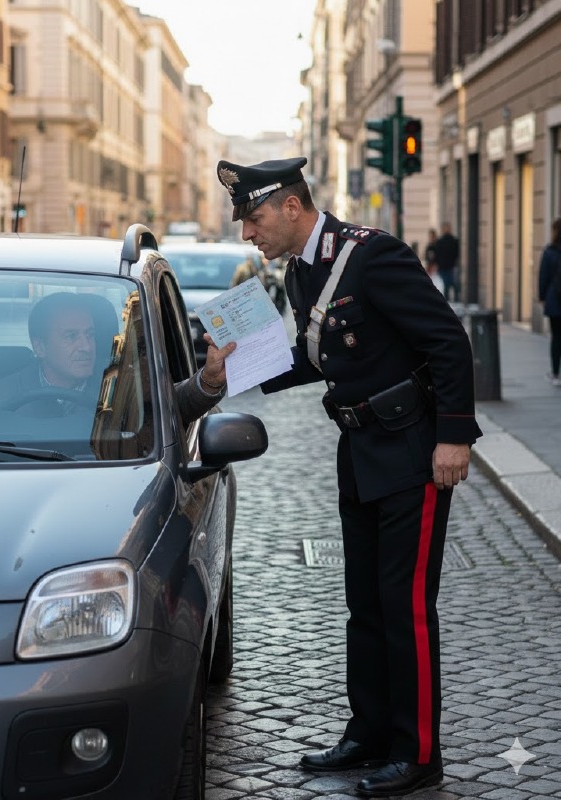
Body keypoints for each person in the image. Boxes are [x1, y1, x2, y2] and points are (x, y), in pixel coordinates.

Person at [216, 156, 481, 798]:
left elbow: (448, 341)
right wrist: (234, 368)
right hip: (360, 449)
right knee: (364, 602)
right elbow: (317, 356)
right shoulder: (302, 270)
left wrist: (453, 435)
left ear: (292, 206)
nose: (247, 233)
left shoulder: (371, 255)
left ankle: (417, 752)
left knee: (404, 606)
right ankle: (368, 733)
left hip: (412, 450)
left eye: (254, 218)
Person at [0, 291, 233, 422]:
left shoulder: (122, 382)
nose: (86, 346)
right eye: (71, 336)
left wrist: (209, 380)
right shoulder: (4, 392)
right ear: (40, 347)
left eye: (90, 334)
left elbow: (172, 406)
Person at [538, 217, 561, 386]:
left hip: (555, 300)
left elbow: (543, 277)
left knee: (556, 338)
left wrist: (542, 297)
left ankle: (555, 374)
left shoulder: (549, 251)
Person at [432, 222, 459, 302]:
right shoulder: (441, 241)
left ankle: (451, 300)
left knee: (450, 284)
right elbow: (437, 254)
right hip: (444, 267)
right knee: (448, 284)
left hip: (449, 266)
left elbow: (456, 253)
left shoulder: (453, 241)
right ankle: (449, 300)